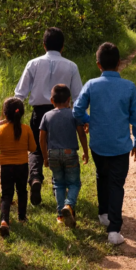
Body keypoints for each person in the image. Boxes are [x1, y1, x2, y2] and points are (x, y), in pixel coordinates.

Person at [73, 42, 136, 245]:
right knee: (116, 184)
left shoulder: (91, 85)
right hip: (121, 146)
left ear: (98, 65)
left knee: (101, 176)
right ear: (119, 63)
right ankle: (114, 230)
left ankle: (103, 214)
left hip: (98, 145)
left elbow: (77, 111)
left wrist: (89, 121)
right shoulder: (129, 87)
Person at [14, 27, 83, 206]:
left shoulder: (33, 64)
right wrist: (79, 119)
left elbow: (20, 94)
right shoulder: (71, 66)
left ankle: (35, 177)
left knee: (36, 149)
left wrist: (14, 117)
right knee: (59, 148)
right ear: (62, 47)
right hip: (65, 114)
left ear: (44, 45)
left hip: (39, 113)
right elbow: (78, 97)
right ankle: (58, 188)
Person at [40, 84, 89, 228]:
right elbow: (81, 133)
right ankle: (69, 205)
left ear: (51, 100)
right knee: (74, 183)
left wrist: (45, 157)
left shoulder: (47, 116)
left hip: (53, 153)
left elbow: (42, 139)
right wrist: (85, 151)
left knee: (58, 184)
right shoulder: (73, 114)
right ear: (69, 100)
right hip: (70, 153)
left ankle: (61, 216)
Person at [0, 97, 36, 238]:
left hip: (6, 168)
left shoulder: (0, 129)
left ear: (5, 114)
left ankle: (4, 220)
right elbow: (33, 148)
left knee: (6, 195)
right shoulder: (27, 129)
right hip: (22, 166)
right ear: (21, 113)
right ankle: (22, 217)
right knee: (22, 191)